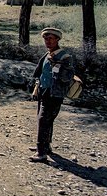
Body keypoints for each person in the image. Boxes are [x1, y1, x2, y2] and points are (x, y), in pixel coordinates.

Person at [29, 27, 75, 163]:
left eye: (50, 39)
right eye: (45, 39)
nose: (47, 41)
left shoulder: (65, 57)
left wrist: (59, 66)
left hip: (54, 94)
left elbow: (68, 77)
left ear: (57, 39)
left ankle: (41, 152)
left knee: (44, 120)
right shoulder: (47, 54)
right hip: (44, 91)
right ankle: (46, 146)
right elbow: (41, 72)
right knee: (45, 119)